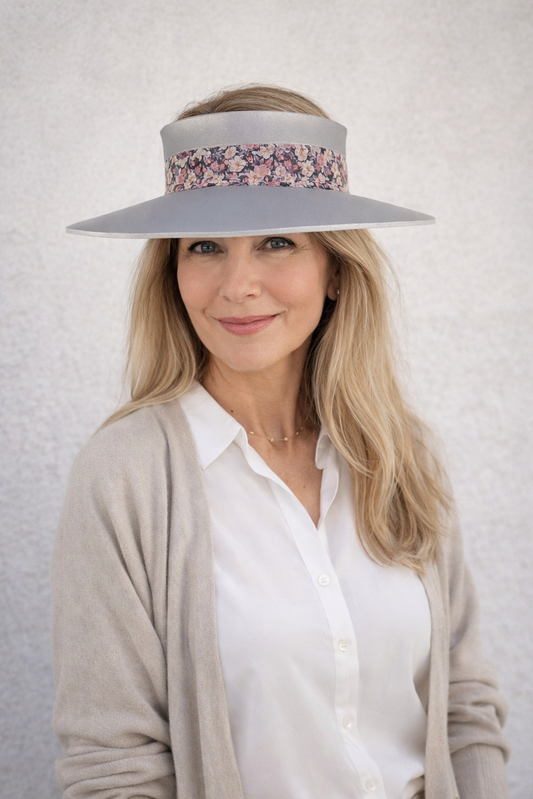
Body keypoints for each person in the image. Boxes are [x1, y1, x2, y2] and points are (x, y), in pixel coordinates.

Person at [52, 85, 509, 799]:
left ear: (333, 269)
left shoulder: (401, 453)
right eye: (204, 246)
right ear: (171, 274)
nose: (238, 285)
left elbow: (463, 705)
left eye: (276, 241)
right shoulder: (126, 477)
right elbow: (113, 766)